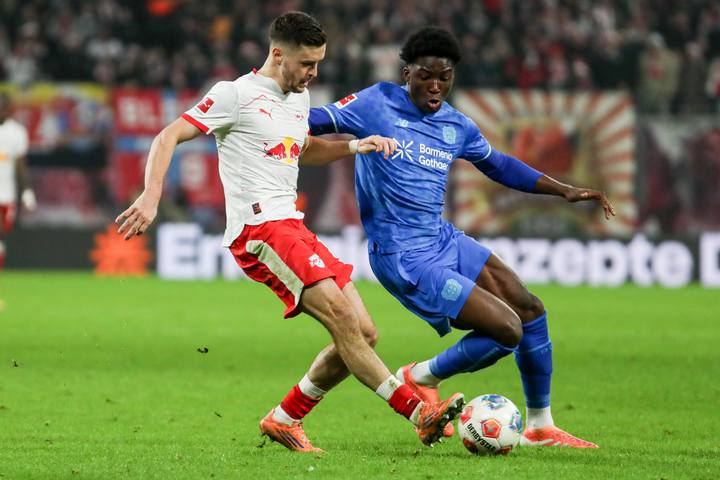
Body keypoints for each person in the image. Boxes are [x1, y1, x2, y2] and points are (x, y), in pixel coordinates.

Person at [116, 13, 463, 453]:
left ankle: (284, 418)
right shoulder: (234, 95)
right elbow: (168, 136)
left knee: (363, 332)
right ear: (278, 54)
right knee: (343, 321)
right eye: (306, 63)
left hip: (293, 225)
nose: (313, 73)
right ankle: (418, 412)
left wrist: (355, 146)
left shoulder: (299, 98)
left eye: (318, 63)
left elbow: (301, 149)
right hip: (260, 229)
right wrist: (151, 196)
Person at [309, 26, 616, 448]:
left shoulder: (456, 125)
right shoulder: (375, 103)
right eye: (426, 76)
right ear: (407, 74)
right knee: (507, 331)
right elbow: (315, 119)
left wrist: (563, 189)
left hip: (443, 239)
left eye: (445, 77)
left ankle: (541, 426)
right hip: (404, 256)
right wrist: (261, 114)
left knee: (529, 310)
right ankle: (420, 376)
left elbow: (500, 165)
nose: (436, 86)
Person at [0, 92, 36, 308]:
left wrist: (27, 191)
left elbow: (21, 166)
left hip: (6, 195)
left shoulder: (16, 133)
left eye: (4, 107)